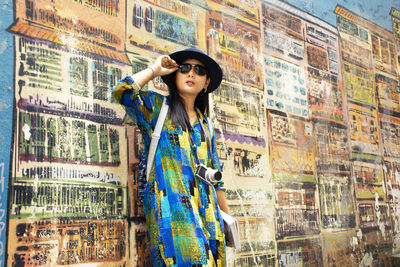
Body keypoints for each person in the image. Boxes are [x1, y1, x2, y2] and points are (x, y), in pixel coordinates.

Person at [113, 48, 230, 266]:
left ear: (206, 83)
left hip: (210, 218)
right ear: (175, 74)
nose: (191, 74)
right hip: (173, 217)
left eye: (199, 70)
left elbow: (217, 180)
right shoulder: (157, 109)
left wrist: (228, 219)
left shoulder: (206, 126)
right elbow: (123, 91)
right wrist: (155, 70)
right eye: (185, 68)